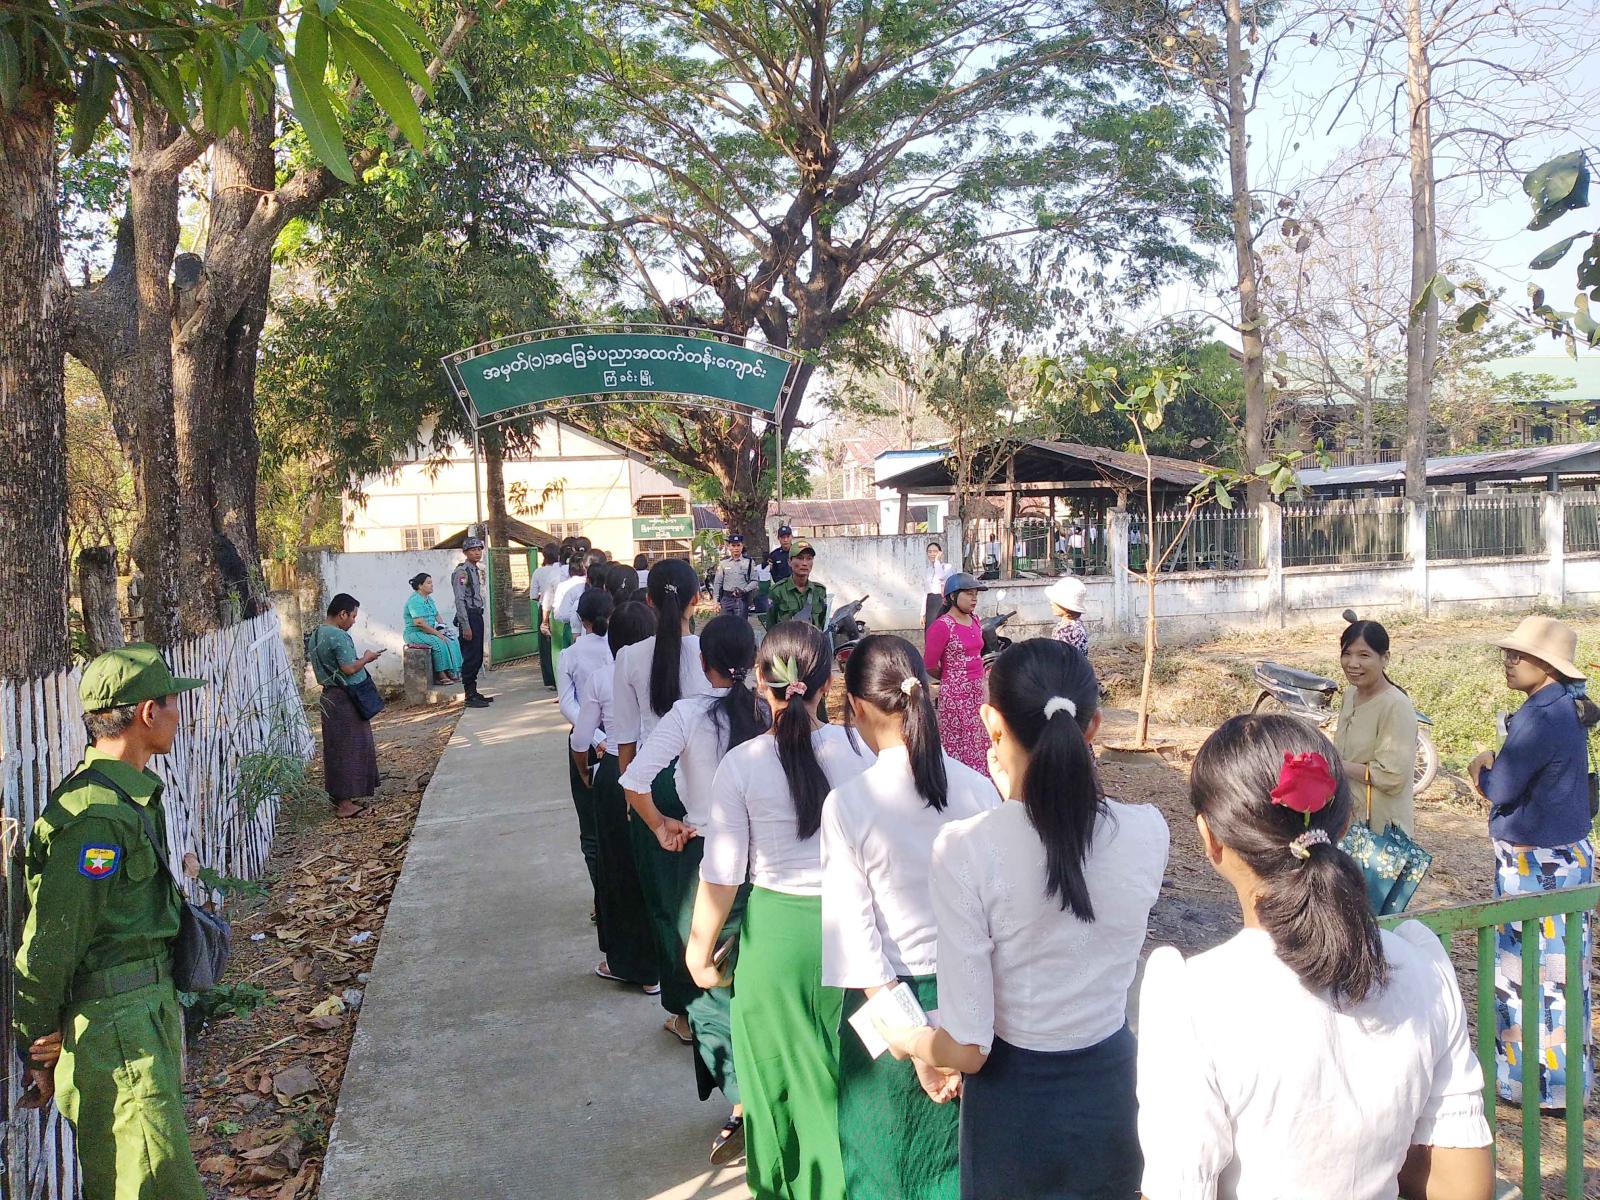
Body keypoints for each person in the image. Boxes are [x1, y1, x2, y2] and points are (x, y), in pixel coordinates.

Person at [1137, 714, 1493, 1199]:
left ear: (1210, 839)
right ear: (1343, 824)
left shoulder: (1190, 997)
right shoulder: (1422, 967)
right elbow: (1462, 1185)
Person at [877, 639, 1166, 1200]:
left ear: (991, 722)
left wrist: (907, 1038)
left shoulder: (966, 849)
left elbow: (968, 1048)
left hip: (1016, 1110)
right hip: (1112, 1093)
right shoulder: (1148, 830)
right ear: (1094, 726)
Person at [12, 645, 211, 1200]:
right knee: (152, 1183)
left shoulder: (127, 796)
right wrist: (37, 1040)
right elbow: (52, 941)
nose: (179, 714)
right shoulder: (96, 817)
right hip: (118, 1032)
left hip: (140, 1015)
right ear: (147, 712)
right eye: (172, 703)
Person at [687, 621, 873, 1200]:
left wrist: (699, 951)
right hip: (857, 934)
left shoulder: (741, 764)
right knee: (851, 1081)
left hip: (774, 943)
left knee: (776, 1086)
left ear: (758, 682)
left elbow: (722, 874)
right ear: (828, 683)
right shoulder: (861, 751)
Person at [822, 634, 1001, 1200]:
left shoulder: (848, 804)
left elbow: (858, 946)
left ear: (856, 708)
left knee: (882, 1166)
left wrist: (916, 1041)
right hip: (975, 1002)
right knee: (961, 1166)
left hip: (887, 1006)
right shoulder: (978, 791)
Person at [620, 615, 770, 1164]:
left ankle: (742, 1101)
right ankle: (775, 1091)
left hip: (709, 865)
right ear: (754, 661)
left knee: (708, 988)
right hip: (773, 866)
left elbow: (634, 780)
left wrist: (662, 825)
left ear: (704, 665)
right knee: (763, 983)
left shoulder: (687, 714)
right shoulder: (772, 710)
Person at [1469, 615, 1597, 1111]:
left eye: (1520, 655)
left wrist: (1480, 768)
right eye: (1509, 653)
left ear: (1547, 665)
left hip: (1536, 864)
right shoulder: (1567, 705)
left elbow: (1502, 789)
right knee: (1562, 975)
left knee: (1524, 976)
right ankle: (1564, 1085)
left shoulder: (1539, 715)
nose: (1509, 661)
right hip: (1569, 856)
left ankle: (1530, 1087)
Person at [613, 557, 714, 1042]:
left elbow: (625, 740)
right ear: (697, 600)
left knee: (664, 904)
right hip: (707, 781)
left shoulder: (628, 658)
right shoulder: (710, 651)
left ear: (648, 600)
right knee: (712, 894)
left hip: (651, 783)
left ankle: (683, 1013)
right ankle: (716, 1003)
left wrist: (635, 804)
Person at [572, 600, 661, 995]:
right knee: (659, 866)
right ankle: (667, 960)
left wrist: (583, 770)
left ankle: (632, 963)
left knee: (619, 868)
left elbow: (580, 737)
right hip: (663, 769)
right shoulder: (671, 670)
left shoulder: (603, 678)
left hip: (617, 771)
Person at [559, 589, 617, 918]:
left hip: (586, 743)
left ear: (582, 620)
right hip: (624, 740)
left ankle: (602, 900)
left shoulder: (569, 655)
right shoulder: (621, 649)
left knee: (591, 828)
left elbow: (567, 704)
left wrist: (595, 737)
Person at [1333, 615, 1418, 836]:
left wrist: (1334, 764)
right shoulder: (1350, 694)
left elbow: (1392, 777)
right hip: (1349, 820)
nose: (1353, 663)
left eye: (1364, 655)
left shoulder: (1396, 705)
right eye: (1347, 654)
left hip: (1380, 830)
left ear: (1385, 658)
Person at [307, 593, 384, 818]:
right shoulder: (338, 635)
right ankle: (345, 804)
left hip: (329, 697)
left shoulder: (316, 634)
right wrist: (367, 658)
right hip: (345, 698)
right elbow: (349, 668)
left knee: (336, 748)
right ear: (342, 614)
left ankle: (340, 797)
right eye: (353, 616)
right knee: (351, 748)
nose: (353, 621)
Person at [925, 573, 990, 779]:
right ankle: (961, 783)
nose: (974, 598)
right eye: (969, 594)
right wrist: (952, 677)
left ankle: (983, 782)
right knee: (960, 742)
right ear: (952, 597)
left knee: (980, 739)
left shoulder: (975, 620)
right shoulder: (942, 626)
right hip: (956, 696)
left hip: (978, 692)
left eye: (976, 594)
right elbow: (929, 665)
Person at [451, 536, 493, 708]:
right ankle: (469, 695)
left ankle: (474, 691)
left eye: (479, 549)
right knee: (471, 656)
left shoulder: (475, 570)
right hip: (468, 616)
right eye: (473, 550)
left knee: (477, 655)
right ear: (465, 552)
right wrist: (466, 625)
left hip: (476, 615)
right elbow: (459, 600)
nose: (477, 553)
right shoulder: (462, 572)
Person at [403, 573, 463, 685]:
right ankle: (441, 675)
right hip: (415, 633)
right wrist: (438, 634)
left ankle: (454, 671)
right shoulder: (414, 600)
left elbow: (436, 614)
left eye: (431, 582)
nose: (432, 585)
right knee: (438, 642)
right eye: (428, 583)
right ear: (420, 586)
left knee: (452, 639)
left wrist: (443, 628)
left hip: (429, 631)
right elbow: (419, 623)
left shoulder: (429, 599)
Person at [765, 544, 827, 630]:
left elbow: (822, 624)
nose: (804, 563)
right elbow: (771, 627)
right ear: (789, 562)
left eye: (809, 558)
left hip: (813, 638)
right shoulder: (777, 591)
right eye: (800, 558)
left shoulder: (819, 591)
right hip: (786, 638)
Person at [549, 555, 588, 679]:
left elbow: (560, 614)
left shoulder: (564, 586)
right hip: (595, 628)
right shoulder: (590, 583)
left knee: (571, 665)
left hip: (570, 628)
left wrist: (573, 615)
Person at [534, 542, 566, 691]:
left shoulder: (539, 572)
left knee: (549, 648)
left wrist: (544, 619)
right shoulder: (564, 571)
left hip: (547, 610)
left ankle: (551, 679)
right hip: (564, 610)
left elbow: (534, 595)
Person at [712, 533, 761, 620]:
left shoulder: (749, 562)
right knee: (725, 624)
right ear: (729, 546)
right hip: (726, 599)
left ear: (742, 546)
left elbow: (755, 581)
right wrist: (715, 601)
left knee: (740, 625)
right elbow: (717, 583)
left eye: (738, 545)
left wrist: (744, 590)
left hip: (741, 599)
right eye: (733, 545)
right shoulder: (723, 563)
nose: (736, 548)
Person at [1044, 577, 1089, 655]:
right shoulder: (1075, 623)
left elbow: (1061, 658)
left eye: (1055, 601)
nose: (1051, 603)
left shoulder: (1068, 630)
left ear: (1066, 607)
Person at [923, 543, 954, 630]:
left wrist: (937, 561)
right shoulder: (928, 570)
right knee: (930, 630)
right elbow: (925, 592)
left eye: (935, 551)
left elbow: (941, 577)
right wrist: (922, 613)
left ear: (940, 553)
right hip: (930, 602)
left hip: (942, 601)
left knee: (942, 629)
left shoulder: (947, 567)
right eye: (929, 552)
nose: (932, 554)